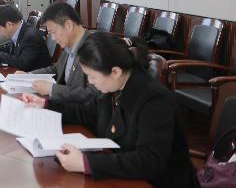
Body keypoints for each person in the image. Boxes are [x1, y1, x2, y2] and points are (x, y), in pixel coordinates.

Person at [22, 34, 199, 188]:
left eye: (92, 76)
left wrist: (86, 163)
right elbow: (87, 114)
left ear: (115, 71)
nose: (90, 82)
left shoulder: (155, 100)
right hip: (125, 175)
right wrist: (47, 104)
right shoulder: (114, 88)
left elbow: (149, 161)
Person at [17, 1, 99, 103]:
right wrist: (29, 75)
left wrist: (52, 89)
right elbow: (56, 69)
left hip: (77, 110)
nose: (53, 38)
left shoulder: (95, 48)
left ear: (68, 25)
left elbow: (92, 94)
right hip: (62, 104)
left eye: (53, 32)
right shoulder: (69, 45)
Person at [0, 4, 50, 71]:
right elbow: (8, 49)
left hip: (36, 78)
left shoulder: (31, 37)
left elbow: (22, 63)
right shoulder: (19, 30)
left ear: (9, 25)